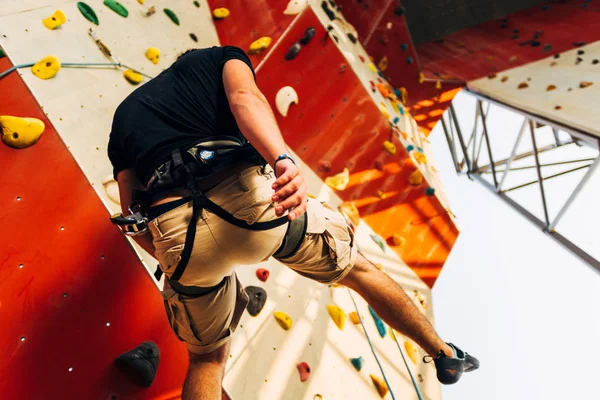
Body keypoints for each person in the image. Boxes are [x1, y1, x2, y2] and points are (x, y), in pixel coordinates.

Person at [108, 46, 478, 399]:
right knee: (357, 270)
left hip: (176, 232)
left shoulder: (124, 115)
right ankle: (444, 353)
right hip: (250, 200)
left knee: (207, 359)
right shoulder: (218, 58)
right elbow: (245, 101)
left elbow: (132, 210)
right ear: (190, 61)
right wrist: (282, 159)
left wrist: (170, 258)